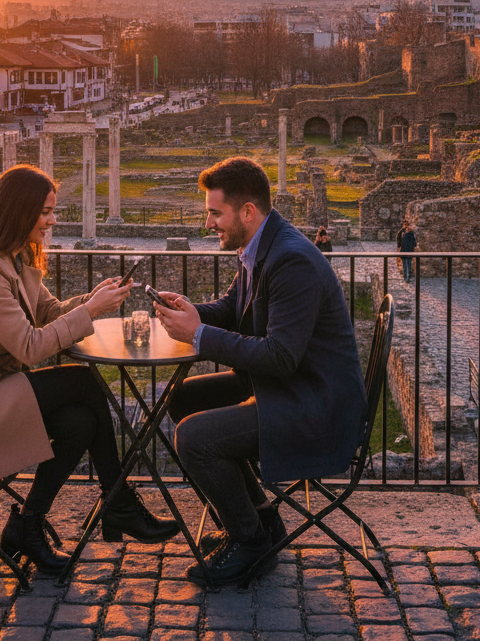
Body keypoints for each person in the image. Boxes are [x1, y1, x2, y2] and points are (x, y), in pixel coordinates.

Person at [0, 164, 178, 575]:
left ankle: (29, 524)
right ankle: (118, 502)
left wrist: (90, 300)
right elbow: (29, 346)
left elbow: (48, 314)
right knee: (81, 381)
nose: (53, 221)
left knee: (80, 420)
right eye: (45, 212)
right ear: (17, 211)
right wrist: (91, 312)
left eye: (53, 211)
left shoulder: (14, 259)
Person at [155, 157, 366, 586]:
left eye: (216, 213)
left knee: (193, 438)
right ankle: (261, 521)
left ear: (247, 211)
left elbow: (280, 356)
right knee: (181, 397)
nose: (208, 222)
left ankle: (250, 542)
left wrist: (198, 336)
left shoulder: (291, 260)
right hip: (287, 390)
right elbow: (234, 308)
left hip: (315, 406)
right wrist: (195, 313)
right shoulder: (259, 245)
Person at [398, 218, 417, 283]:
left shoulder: (410, 233)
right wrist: (399, 247)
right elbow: (398, 239)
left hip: (409, 251)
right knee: (405, 265)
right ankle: (406, 277)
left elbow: (414, 243)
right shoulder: (402, 232)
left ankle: (408, 277)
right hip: (404, 251)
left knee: (408, 264)